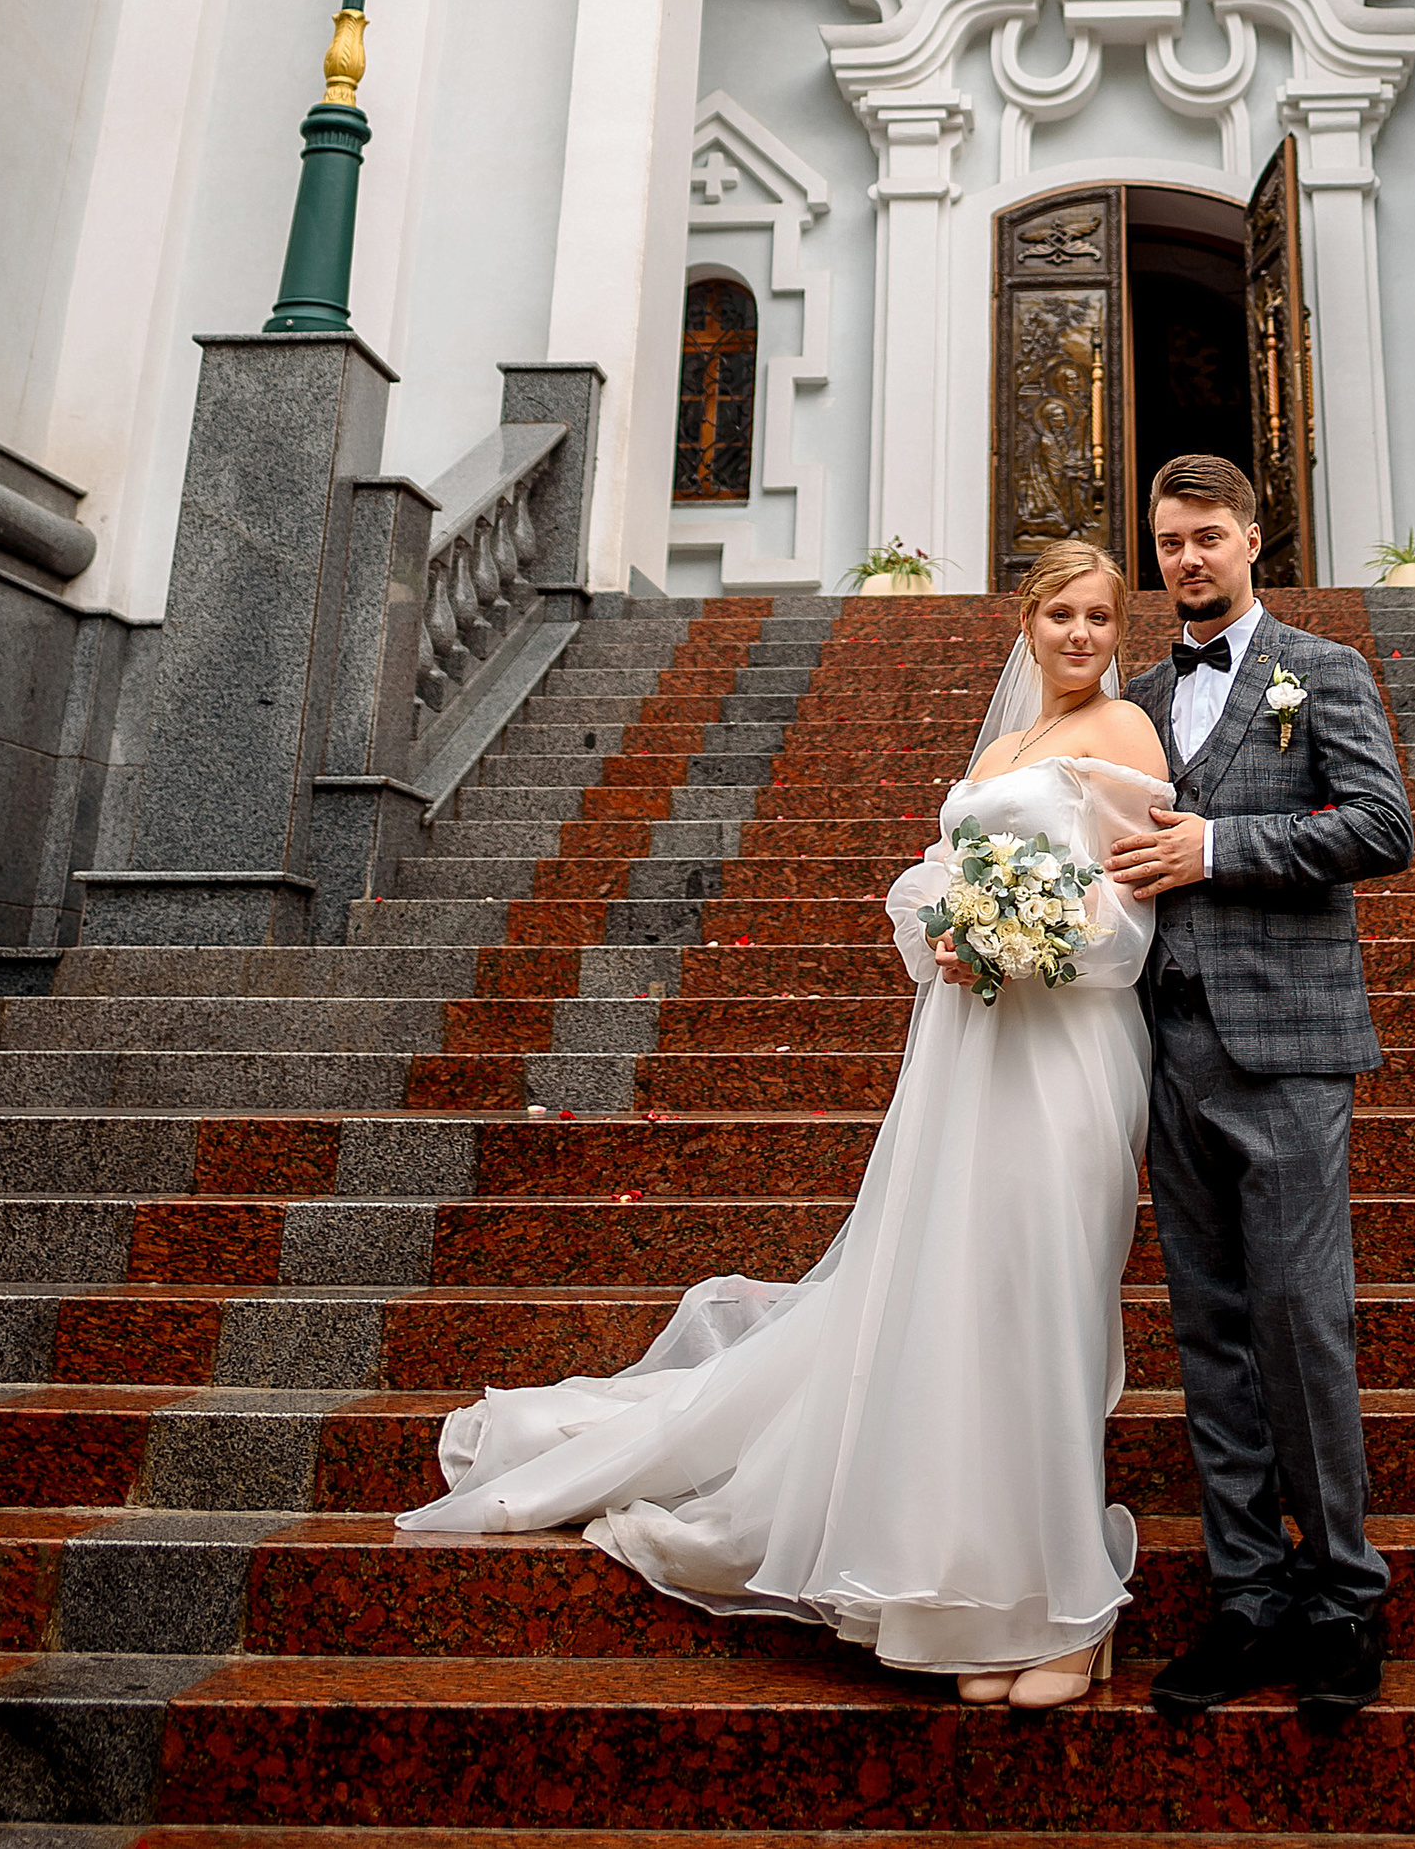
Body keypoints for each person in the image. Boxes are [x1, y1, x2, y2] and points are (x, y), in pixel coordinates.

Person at [395, 540, 1167, 1708]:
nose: (1077, 636)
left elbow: (1130, 905)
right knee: (956, 1300)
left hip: (1068, 1049)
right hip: (968, 1047)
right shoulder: (1002, 749)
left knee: (1044, 1295)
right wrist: (955, 930)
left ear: (1120, 632)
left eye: (1099, 618)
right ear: (1026, 620)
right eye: (1059, 613)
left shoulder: (1126, 736)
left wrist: (1039, 937)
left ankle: (1066, 1613)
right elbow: (934, 878)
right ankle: (969, 1590)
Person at [1108, 453, 1415, 1728]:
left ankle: (1344, 1595)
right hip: (1164, 1050)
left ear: (1251, 540)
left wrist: (1218, 846)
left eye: (1208, 537)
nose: (1186, 559)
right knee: (1210, 1335)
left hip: (1286, 1050)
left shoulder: (1322, 670)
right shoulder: (1130, 699)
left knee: (1301, 1322)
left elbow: (1382, 827)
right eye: (1169, 541)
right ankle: (1247, 1595)